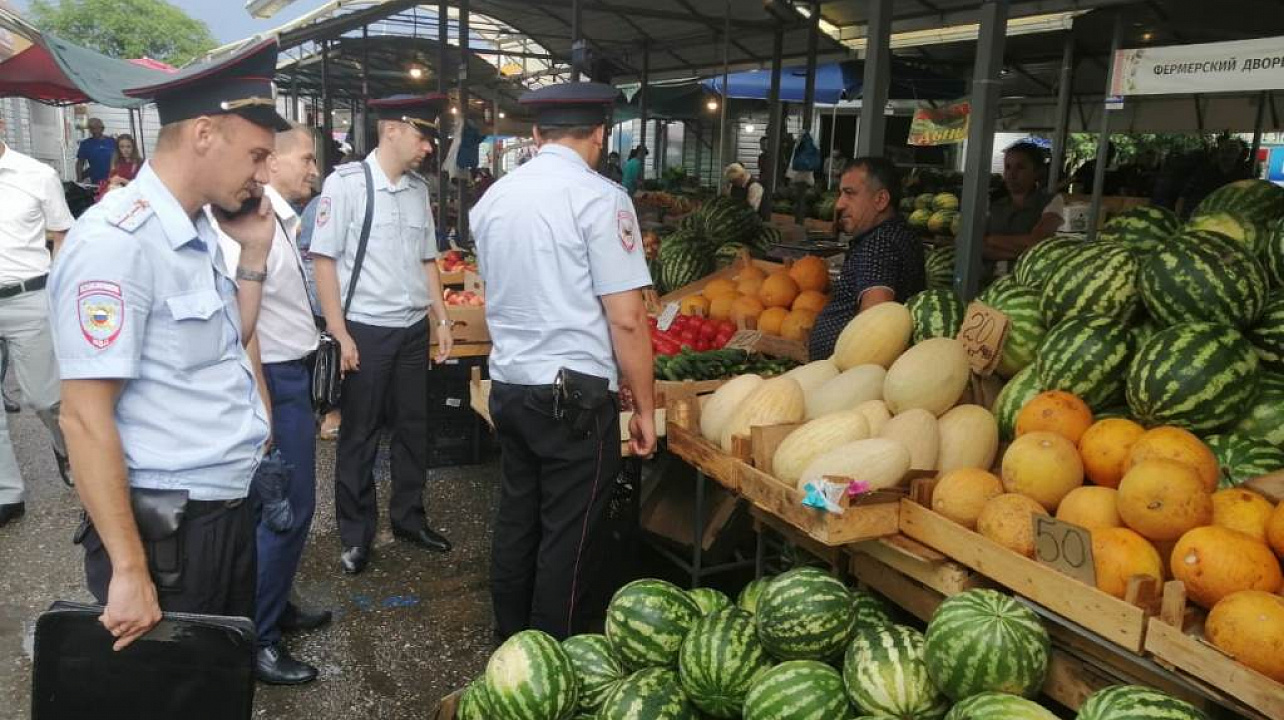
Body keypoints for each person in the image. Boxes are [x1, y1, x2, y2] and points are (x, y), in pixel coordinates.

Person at [47, 39, 286, 650]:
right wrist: (129, 571)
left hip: (223, 512)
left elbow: (228, 340)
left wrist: (254, 253)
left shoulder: (198, 228)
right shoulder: (118, 242)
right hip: (170, 534)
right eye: (257, 156)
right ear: (204, 133)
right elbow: (83, 416)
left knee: (214, 688)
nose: (263, 175)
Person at [471, 82, 657, 640]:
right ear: (600, 135)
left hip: (509, 387)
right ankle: (555, 656)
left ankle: (510, 641)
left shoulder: (493, 200)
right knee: (570, 537)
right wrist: (644, 408)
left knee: (517, 521)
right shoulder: (602, 199)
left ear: (535, 134)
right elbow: (626, 317)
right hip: (573, 399)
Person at [310, 94, 456, 575]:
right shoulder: (346, 184)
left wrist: (441, 319)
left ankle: (410, 519)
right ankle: (356, 534)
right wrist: (339, 330)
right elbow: (324, 260)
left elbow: (427, 260)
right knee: (361, 435)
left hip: (412, 328)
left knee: (415, 430)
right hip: (367, 330)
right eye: (422, 136)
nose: (428, 148)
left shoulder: (417, 190)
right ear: (391, 130)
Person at [211, 122, 330, 684]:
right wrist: (260, 405)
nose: (313, 169)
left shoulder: (279, 218)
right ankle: (259, 640)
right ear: (274, 162)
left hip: (292, 376)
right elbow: (245, 324)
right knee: (287, 511)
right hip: (274, 381)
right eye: (304, 158)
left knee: (279, 512)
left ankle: (275, 605)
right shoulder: (247, 221)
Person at [0, 113, 75, 528]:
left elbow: (63, 231)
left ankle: (70, 448)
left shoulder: (36, 175)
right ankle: (6, 494)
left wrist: (56, 284)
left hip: (29, 297)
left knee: (46, 398)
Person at [809, 157, 925, 360]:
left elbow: (873, 327)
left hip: (847, 378)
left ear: (880, 200)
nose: (839, 204)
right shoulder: (898, 234)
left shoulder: (879, 245)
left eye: (849, 193)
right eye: (840, 194)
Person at [983, 142, 1065, 261]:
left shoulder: (1052, 201)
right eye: (1008, 167)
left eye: (1020, 167)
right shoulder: (991, 201)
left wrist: (990, 239)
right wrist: (1022, 251)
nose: (1012, 174)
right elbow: (973, 244)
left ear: (1037, 172)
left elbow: (1038, 242)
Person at [1179, 137, 1251, 217]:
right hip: (1197, 215)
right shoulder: (1204, 172)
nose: (1225, 155)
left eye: (1230, 152)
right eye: (1222, 151)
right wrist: (1178, 216)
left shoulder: (1243, 176)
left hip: (1227, 219)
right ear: (1218, 153)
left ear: (1237, 155)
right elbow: (1184, 195)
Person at [96, 134, 143, 201]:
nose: (125, 150)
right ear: (118, 148)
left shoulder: (140, 163)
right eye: (122, 147)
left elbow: (140, 187)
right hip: (115, 192)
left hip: (132, 195)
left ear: (133, 148)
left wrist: (122, 180)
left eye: (128, 147)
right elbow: (110, 178)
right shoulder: (116, 161)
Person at [75, 117, 116, 185]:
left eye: (97, 127)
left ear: (102, 128)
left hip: (112, 180)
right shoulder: (85, 144)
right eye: (91, 128)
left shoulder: (112, 141)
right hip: (95, 182)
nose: (94, 130)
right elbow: (80, 163)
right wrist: (79, 180)